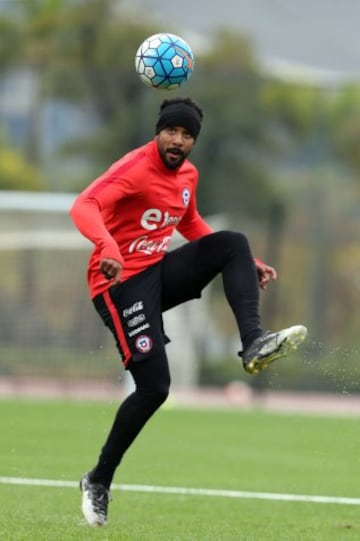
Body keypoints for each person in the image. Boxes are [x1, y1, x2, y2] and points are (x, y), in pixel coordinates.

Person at [69, 96, 307, 526]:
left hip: (157, 273)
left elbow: (189, 222)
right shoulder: (134, 169)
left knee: (233, 242)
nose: (178, 141)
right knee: (155, 388)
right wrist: (106, 245)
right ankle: (98, 479)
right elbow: (83, 205)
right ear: (158, 131)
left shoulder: (188, 175)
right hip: (118, 284)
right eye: (172, 131)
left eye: (187, 135)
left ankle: (253, 342)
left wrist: (241, 263)